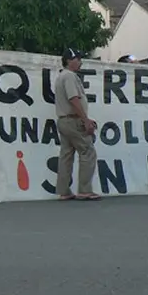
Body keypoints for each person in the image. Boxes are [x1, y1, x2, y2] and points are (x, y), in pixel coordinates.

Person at [55, 48, 100, 201]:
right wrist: (85, 120)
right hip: (73, 120)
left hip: (63, 120)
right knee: (87, 151)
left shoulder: (62, 76)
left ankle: (64, 190)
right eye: (77, 59)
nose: (80, 62)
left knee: (66, 155)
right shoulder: (69, 76)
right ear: (68, 60)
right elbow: (74, 99)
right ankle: (85, 190)